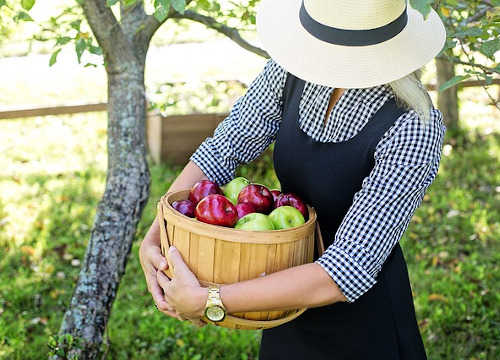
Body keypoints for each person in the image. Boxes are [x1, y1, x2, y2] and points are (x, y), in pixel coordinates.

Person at [139, 0, 448, 358]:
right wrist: (158, 234)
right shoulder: (292, 73)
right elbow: (222, 151)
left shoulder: (414, 126)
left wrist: (210, 300)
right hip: (281, 297)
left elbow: (346, 271)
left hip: (359, 327)